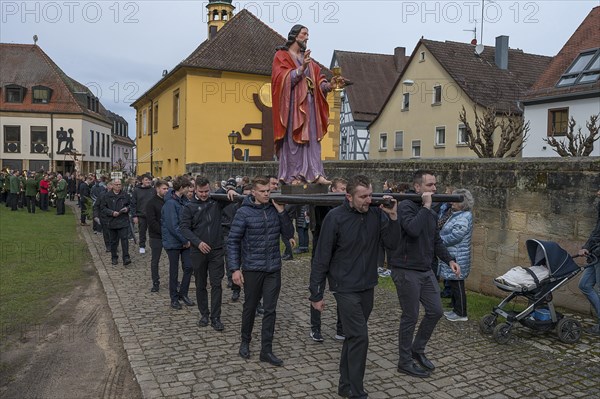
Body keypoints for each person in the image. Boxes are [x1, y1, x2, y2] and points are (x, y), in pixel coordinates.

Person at [310, 175, 399, 398]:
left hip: (367, 285)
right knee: (360, 337)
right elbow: (321, 256)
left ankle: (344, 385)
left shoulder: (377, 215)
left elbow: (393, 244)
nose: (368, 200)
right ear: (348, 196)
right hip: (344, 287)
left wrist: (393, 217)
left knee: (352, 337)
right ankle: (356, 391)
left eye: (370, 195)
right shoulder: (335, 218)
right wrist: (316, 293)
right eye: (363, 196)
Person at [388, 170, 460, 378]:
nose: (434, 189)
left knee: (436, 311)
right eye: (430, 185)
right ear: (417, 187)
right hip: (405, 269)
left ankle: (417, 350)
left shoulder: (430, 210)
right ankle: (404, 361)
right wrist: (427, 207)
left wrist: (450, 260)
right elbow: (412, 229)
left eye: (435, 185)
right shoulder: (406, 206)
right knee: (410, 316)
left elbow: (434, 238)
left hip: (425, 269)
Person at [227, 176, 294, 366]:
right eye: (263, 191)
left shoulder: (274, 209)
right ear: (254, 192)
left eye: (268, 191)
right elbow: (232, 241)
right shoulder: (244, 212)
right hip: (252, 268)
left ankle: (266, 350)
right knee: (250, 306)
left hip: (273, 268)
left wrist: (282, 213)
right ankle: (245, 341)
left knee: (270, 310)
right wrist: (234, 269)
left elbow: (288, 233)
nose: (267, 194)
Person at [272, 25, 342, 186]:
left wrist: (330, 85)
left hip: (310, 105)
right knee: (294, 142)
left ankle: (315, 173)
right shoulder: (281, 56)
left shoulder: (309, 60)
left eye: (307, 34)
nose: (307, 37)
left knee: (312, 141)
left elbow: (319, 82)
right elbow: (279, 79)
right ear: (295, 36)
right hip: (292, 106)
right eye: (304, 34)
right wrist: (301, 68)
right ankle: (293, 176)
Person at [180, 177, 237, 330]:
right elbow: (184, 228)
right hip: (198, 252)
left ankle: (216, 317)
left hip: (216, 250)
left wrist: (231, 190)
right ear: (195, 190)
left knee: (217, 284)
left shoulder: (216, 201)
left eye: (206, 191)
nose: (204, 194)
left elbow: (229, 195)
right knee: (200, 284)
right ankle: (204, 314)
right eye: (201, 192)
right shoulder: (189, 207)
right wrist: (198, 242)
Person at [309, 177, 347, 342]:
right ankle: (315, 329)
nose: (345, 192)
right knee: (317, 290)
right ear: (332, 190)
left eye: (346, 189)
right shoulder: (322, 203)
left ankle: (341, 328)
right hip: (321, 253)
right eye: (342, 189)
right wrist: (324, 183)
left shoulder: (346, 208)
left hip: (339, 256)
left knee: (343, 292)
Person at [437, 189, 474, 322]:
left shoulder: (463, 217)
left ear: (462, 203)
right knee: (453, 283)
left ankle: (461, 313)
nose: (451, 202)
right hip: (454, 254)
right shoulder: (456, 214)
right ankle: (455, 309)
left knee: (457, 284)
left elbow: (456, 236)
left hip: (458, 256)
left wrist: (438, 240)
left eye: (455, 200)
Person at [162, 176, 195, 308]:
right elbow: (173, 226)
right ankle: (174, 298)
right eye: (187, 187)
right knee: (174, 271)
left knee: (188, 267)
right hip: (173, 242)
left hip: (185, 241)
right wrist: (185, 239)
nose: (189, 190)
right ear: (182, 188)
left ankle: (183, 293)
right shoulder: (170, 203)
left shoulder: (184, 201)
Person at [222, 183, 252, 302]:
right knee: (233, 265)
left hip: (249, 241)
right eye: (244, 196)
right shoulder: (235, 206)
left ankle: (253, 295)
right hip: (236, 238)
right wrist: (229, 190)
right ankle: (236, 289)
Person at [578, 188, 600, 336]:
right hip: (595, 255)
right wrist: (587, 247)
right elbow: (597, 231)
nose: (598, 193)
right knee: (584, 285)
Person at [99, 179, 132, 266]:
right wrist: (111, 212)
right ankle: (114, 257)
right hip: (112, 221)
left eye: (119, 184)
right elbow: (102, 208)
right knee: (113, 241)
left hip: (123, 220)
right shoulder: (107, 196)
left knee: (124, 240)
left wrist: (127, 209)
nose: (118, 186)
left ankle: (126, 257)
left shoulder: (125, 195)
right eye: (116, 184)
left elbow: (130, 205)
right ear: (112, 185)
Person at [146, 179, 169, 293]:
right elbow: (152, 221)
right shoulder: (151, 203)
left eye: (167, 188)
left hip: (169, 236)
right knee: (155, 260)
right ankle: (155, 282)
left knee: (172, 260)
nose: (166, 191)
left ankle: (173, 280)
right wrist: (163, 231)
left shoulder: (168, 201)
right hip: (156, 236)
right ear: (157, 189)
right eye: (164, 189)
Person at [131, 174, 154, 254]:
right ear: (142, 181)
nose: (148, 181)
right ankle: (142, 246)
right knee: (142, 232)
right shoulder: (137, 190)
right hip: (141, 215)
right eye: (146, 180)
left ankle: (154, 246)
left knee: (153, 232)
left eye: (149, 180)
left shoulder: (153, 190)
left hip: (152, 216)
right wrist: (134, 216)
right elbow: (133, 204)